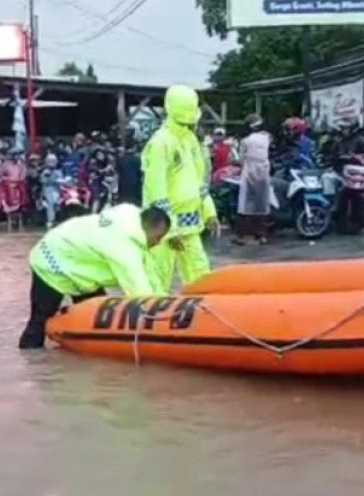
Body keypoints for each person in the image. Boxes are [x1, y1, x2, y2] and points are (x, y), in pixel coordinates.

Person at [18, 204, 171, 349]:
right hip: (51, 261)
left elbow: (148, 269)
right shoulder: (123, 248)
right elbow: (139, 292)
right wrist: (162, 318)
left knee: (96, 320)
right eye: (158, 238)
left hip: (78, 263)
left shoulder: (130, 216)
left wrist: (164, 298)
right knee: (39, 321)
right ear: (149, 228)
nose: (158, 243)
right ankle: (31, 359)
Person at [142, 84, 218, 291]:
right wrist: (169, 230)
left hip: (191, 225)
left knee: (200, 275)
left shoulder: (191, 140)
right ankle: (154, 319)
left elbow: (199, 180)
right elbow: (155, 189)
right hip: (162, 227)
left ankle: (201, 318)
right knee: (157, 279)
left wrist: (209, 212)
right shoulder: (160, 143)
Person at [236, 113, 273, 244]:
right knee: (262, 204)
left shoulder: (245, 141)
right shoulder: (267, 138)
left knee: (245, 205)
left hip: (249, 173)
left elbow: (240, 159)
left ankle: (241, 236)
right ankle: (262, 236)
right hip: (263, 174)